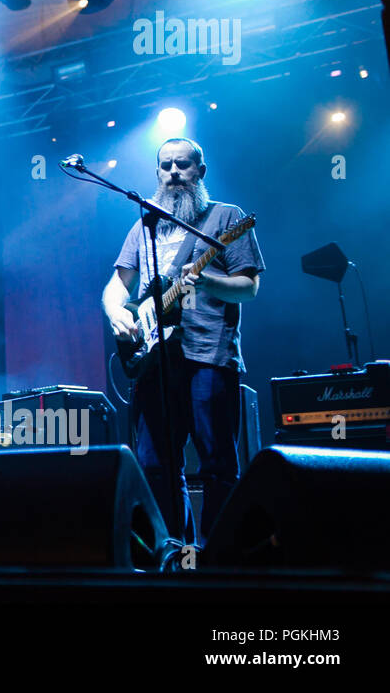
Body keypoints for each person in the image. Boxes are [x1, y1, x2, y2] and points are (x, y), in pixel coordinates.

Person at [101, 137, 264, 544]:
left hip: (208, 355)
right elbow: (117, 285)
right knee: (154, 466)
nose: (173, 172)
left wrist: (206, 280)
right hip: (155, 362)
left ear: (200, 171)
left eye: (183, 164)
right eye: (166, 165)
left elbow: (248, 287)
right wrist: (117, 312)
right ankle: (174, 554)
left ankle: (219, 558)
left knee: (216, 464)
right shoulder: (144, 227)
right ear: (157, 173)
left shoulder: (226, 217)